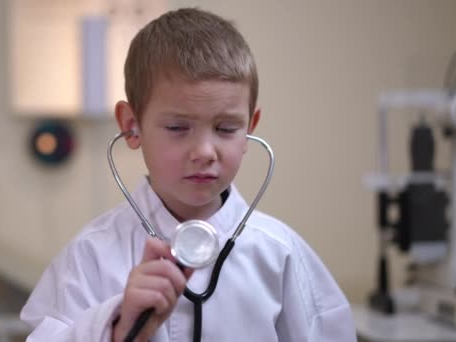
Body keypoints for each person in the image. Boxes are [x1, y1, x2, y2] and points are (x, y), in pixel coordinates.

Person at [21, 7, 356, 342]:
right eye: (178, 127)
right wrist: (117, 330)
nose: (205, 152)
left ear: (250, 128)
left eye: (226, 128)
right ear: (131, 126)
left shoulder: (280, 255)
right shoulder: (91, 255)